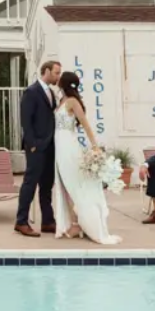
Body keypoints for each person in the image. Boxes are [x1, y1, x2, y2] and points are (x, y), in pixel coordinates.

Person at [52, 71, 121, 244]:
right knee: (65, 184)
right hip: (59, 145)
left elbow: (85, 125)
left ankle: (80, 223)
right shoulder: (61, 101)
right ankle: (75, 223)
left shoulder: (73, 102)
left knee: (73, 183)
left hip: (68, 145)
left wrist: (95, 146)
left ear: (63, 84)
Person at [14, 60, 61, 237]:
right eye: (56, 73)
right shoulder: (31, 92)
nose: (58, 76)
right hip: (37, 147)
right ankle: (21, 221)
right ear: (46, 71)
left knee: (47, 185)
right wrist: (32, 145)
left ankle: (48, 221)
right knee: (30, 183)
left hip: (50, 146)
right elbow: (26, 121)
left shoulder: (51, 92)